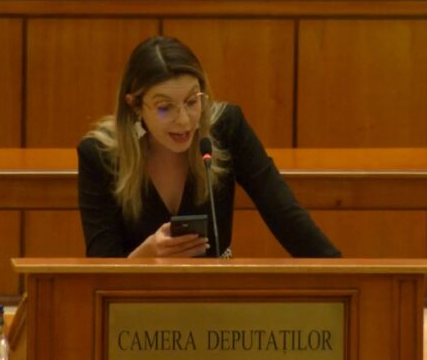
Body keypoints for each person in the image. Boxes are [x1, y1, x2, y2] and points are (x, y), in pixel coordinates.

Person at [77, 36, 341, 258]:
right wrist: (145, 255)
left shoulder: (226, 128)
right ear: (135, 106)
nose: (184, 120)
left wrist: (344, 276)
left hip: (215, 295)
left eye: (192, 101)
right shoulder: (100, 155)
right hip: (133, 298)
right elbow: (99, 269)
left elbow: (284, 214)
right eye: (165, 107)